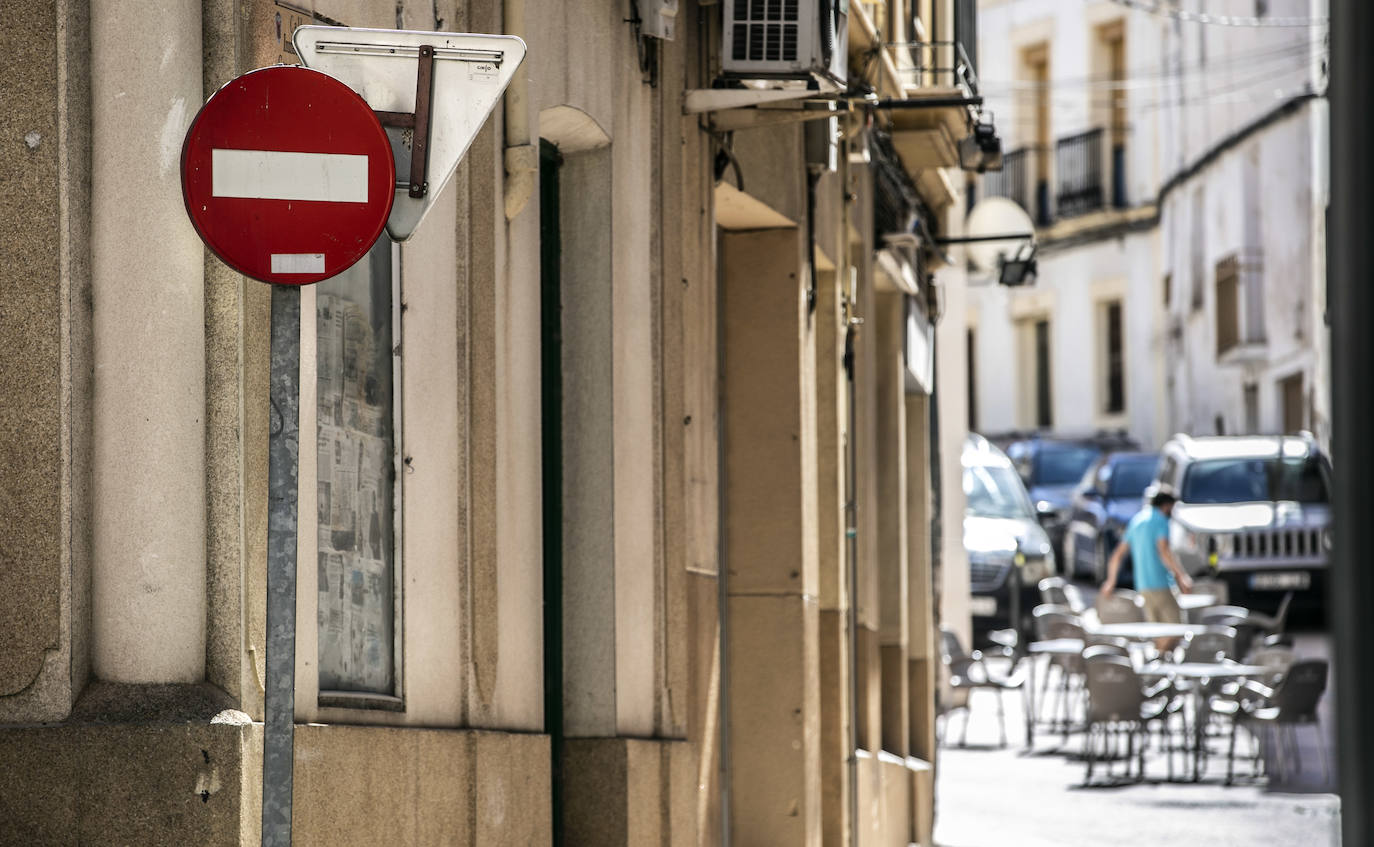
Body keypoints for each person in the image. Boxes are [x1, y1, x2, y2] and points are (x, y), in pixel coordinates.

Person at [1101, 488, 1193, 652]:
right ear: (1166, 506)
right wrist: (1181, 576)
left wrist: (1110, 581)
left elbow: (1117, 555)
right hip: (1161, 583)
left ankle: (1159, 667)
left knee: (1158, 632)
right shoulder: (1160, 520)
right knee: (1177, 629)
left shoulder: (1137, 520)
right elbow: (1164, 550)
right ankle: (1157, 662)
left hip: (1142, 585)